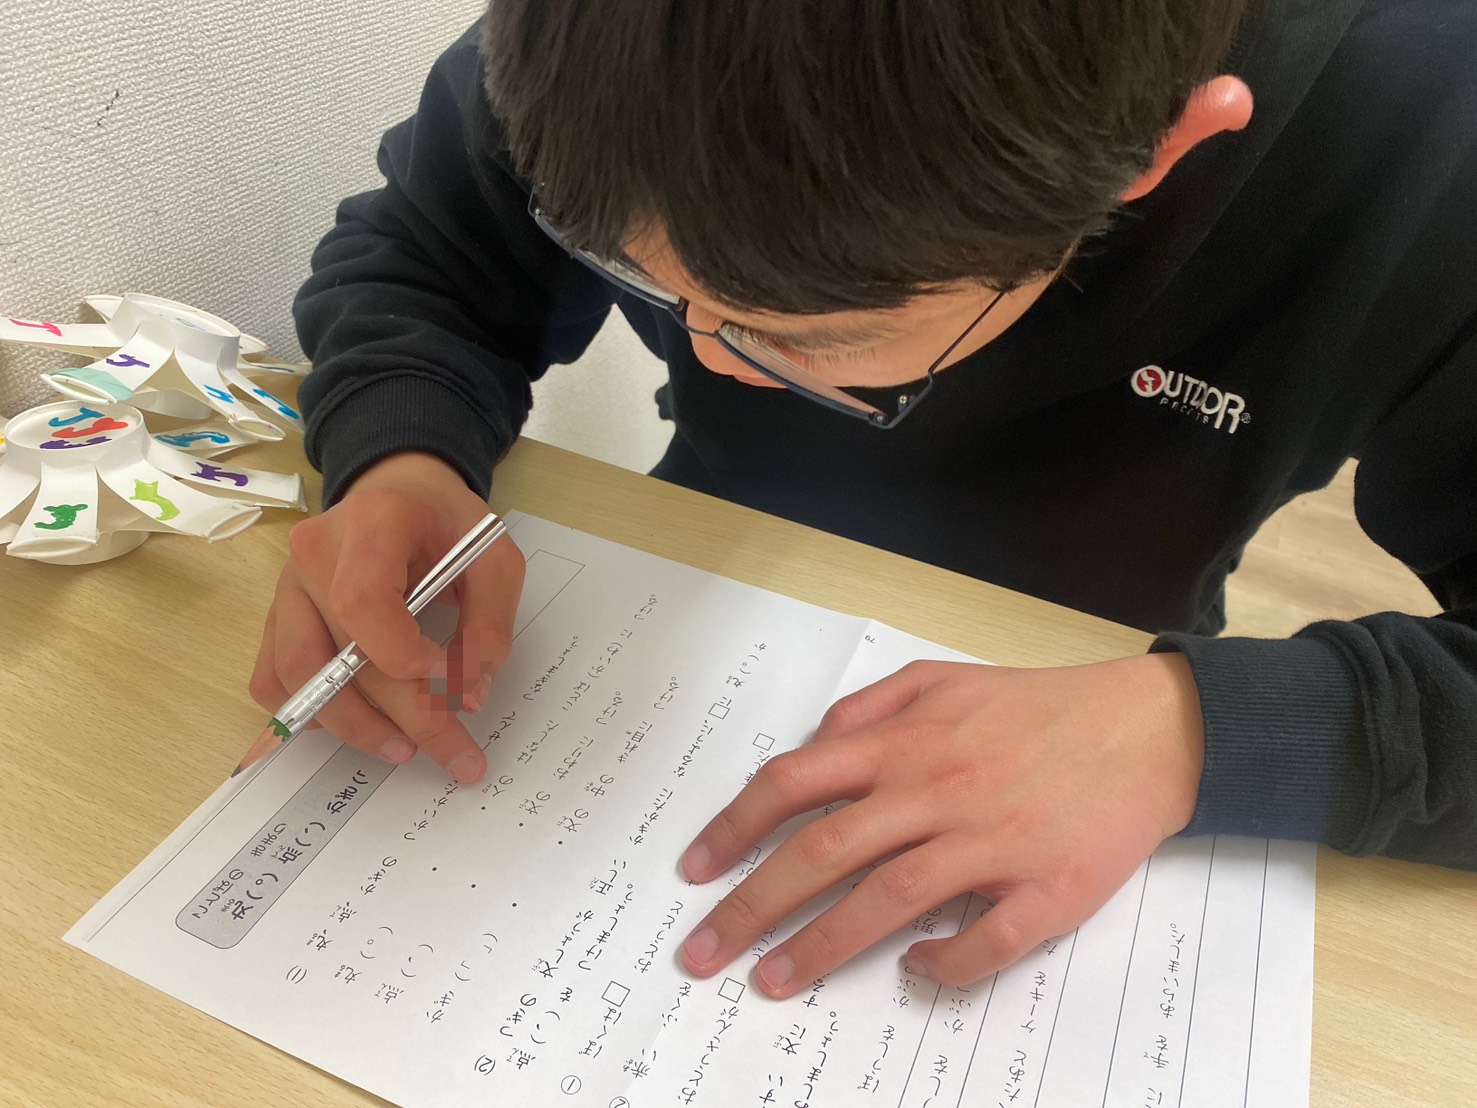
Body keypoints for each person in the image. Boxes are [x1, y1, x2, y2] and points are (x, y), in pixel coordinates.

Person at [253, 0, 1477, 998]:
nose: (707, 358)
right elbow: (430, 259)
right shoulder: (622, 43)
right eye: (644, 281)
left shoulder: (1432, 129)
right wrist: (401, 452)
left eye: (806, 343)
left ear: (1160, 153)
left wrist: (1194, 731)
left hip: (1101, 659)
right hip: (703, 578)